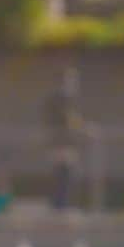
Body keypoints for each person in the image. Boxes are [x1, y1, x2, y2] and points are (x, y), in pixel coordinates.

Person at [44, 67, 85, 210]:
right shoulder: (62, 98)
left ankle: (60, 206)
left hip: (63, 143)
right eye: (71, 79)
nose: (74, 83)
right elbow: (69, 118)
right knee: (64, 175)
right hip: (61, 143)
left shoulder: (62, 98)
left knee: (64, 175)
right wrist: (84, 127)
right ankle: (60, 208)